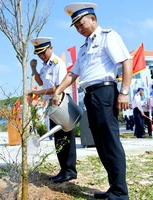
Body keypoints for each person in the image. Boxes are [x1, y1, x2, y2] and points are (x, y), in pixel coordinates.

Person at [53, 2, 132, 199]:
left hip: (105, 92)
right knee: (101, 143)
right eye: (77, 27)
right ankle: (113, 188)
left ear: (93, 19)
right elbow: (74, 73)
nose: (80, 29)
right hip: (91, 96)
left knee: (110, 142)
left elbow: (126, 60)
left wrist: (124, 92)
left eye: (82, 24)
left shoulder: (108, 36)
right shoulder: (84, 47)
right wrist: (58, 91)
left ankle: (120, 192)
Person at [29, 37, 77, 183]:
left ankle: (70, 171)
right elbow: (40, 82)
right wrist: (33, 69)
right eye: (39, 54)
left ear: (51, 48)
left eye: (43, 52)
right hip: (51, 105)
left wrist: (37, 93)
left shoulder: (58, 64)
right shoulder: (44, 66)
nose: (42, 56)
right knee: (58, 139)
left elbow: (59, 87)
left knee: (66, 138)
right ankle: (63, 170)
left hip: (62, 103)